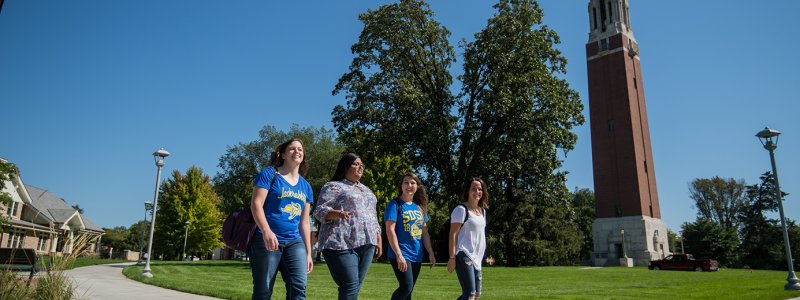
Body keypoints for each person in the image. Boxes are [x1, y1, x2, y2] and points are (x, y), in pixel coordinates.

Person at [249, 138, 314, 300]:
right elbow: (256, 204)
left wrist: (308, 253)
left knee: (298, 289)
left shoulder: (306, 186)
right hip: (267, 240)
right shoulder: (270, 174)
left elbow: (304, 223)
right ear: (283, 154)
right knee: (263, 291)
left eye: (300, 149)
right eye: (292, 149)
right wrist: (266, 231)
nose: (297, 151)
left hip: (294, 242)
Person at [314, 152, 382, 300]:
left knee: (355, 286)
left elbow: (373, 216)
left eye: (362, 165)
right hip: (340, 243)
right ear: (345, 166)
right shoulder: (333, 186)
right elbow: (319, 211)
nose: (360, 167)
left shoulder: (367, 190)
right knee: (350, 285)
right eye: (356, 164)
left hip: (367, 243)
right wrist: (337, 213)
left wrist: (378, 239)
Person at [384, 172, 436, 300]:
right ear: (401, 186)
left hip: (416, 254)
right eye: (406, 182)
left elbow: (424, 232)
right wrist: (398, 255)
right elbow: (390, 230)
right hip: (401, 253)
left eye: (413, 183)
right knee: (406, 287)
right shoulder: (394, 204)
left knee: (409, 291)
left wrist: (431, 253)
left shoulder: (419, 207)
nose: (409, 185)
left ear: (417, 186)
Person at [447, 178, 489, 300]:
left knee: (476, 295)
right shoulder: (461, 210)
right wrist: (452, 258)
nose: (477, 192)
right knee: (470, 293)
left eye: (480, 189)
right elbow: (452, 234)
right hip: (464, 255)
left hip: (477, 258)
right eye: (473, 189)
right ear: (467, 191)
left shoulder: (482, 211)